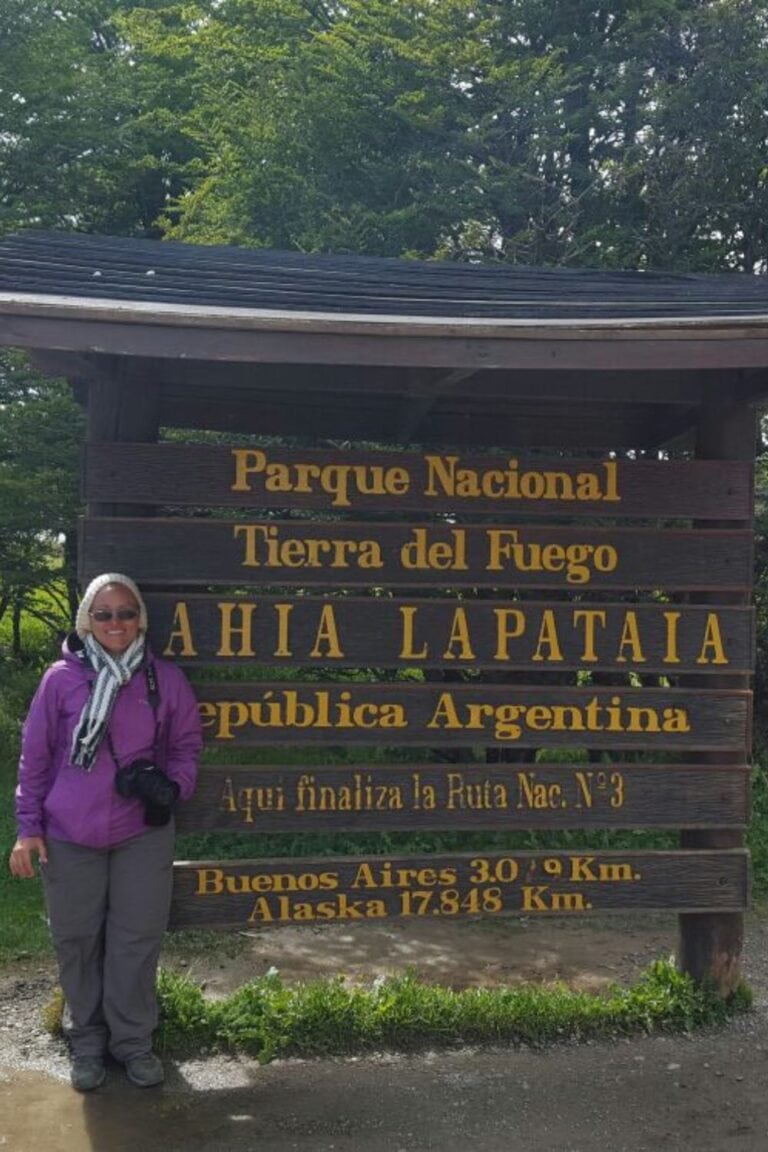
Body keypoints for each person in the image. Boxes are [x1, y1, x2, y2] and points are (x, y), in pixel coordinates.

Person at [8, 573, 202, 1092]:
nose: (116, 623)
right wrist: (28, 829)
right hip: (69, 832)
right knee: (77, 941)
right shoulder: (61, 680)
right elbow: (35, 759)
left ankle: (133, 1043)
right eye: (104, 614)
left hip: (142, 832)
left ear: (141, 618)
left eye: (126, 612)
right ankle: (87, 1041)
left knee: (135, 941)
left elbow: (186, 746)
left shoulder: (166, 680)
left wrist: (173, 786)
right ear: (86, 622)